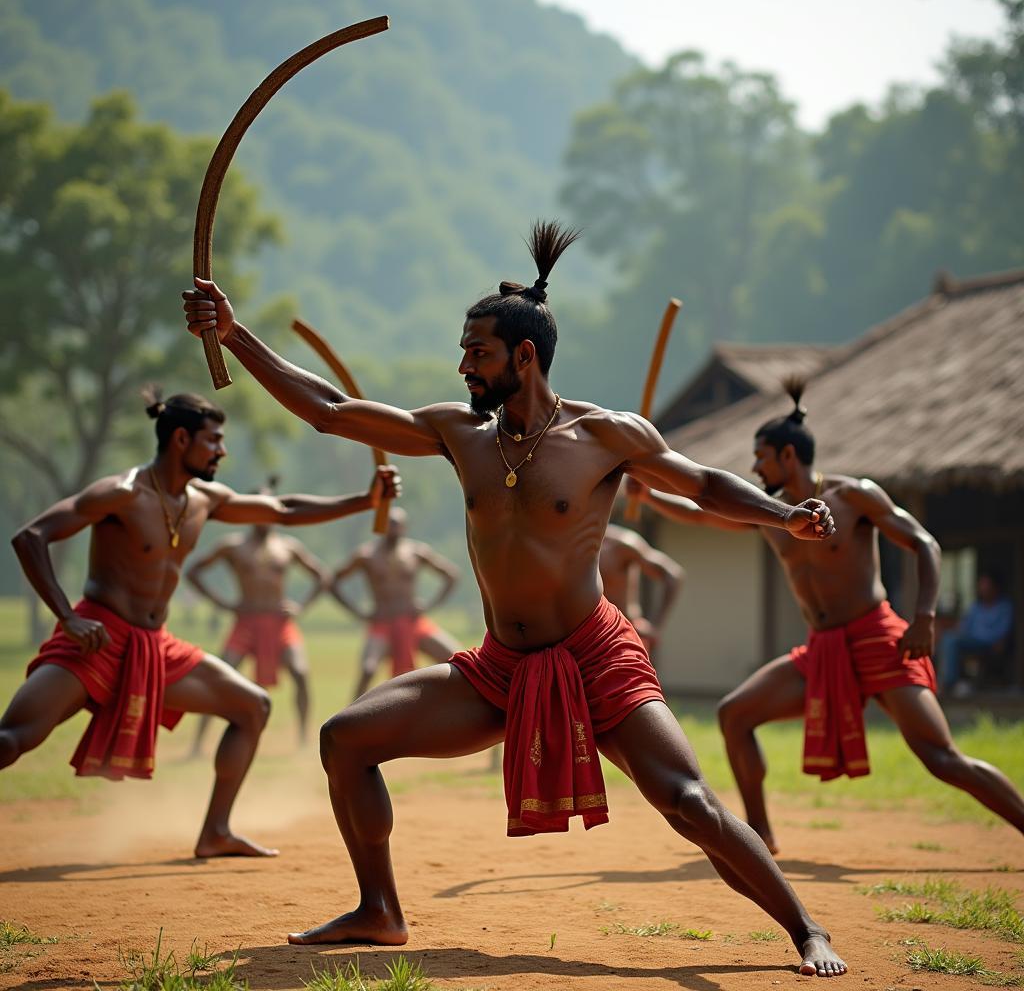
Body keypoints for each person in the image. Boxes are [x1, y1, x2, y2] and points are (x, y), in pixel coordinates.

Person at [183, 221, 847, 976]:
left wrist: (782, 513)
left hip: (597, 660)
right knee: (346, 740)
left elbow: (701, 484)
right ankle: (380, 910)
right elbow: (329, 411)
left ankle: (805, 928)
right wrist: (235, 336)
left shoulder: (605, 435)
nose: (463, 365)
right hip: (501, 668)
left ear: (523, 357)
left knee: (688, 801)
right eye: (464, 351)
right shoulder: (458, 433)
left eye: (478, 353)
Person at [630, 378, 1024, 855]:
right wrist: (650, 494)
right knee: (735, 714)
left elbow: (924, 542)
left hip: (879, 638)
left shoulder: (854, 495)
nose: (755, 466)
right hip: (823, 648)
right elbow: (702, 515)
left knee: (941, 758)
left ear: (789, 457)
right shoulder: (771, 513)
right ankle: (760, 837)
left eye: (762, 457)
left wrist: (923, 617)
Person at [1, 392, 398, 858]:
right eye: (214, 441)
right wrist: (66, 618)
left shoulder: (204, 499)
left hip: (155, 647)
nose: (222, 451)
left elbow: (284, 509)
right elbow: (31, 537)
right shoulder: (121, 493)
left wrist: (364, 500)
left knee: (252, 706)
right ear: (181, 438)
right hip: (97, 639)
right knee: (15, 738)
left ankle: (216, 832)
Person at [187, 485, 329, 750]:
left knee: (300, 672)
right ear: (249, 511)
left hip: (280, 623)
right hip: (246, 623)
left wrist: (301, 606)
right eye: (258, 508)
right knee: (220, 676)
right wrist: (224, 603)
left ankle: (303, 738)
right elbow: (194, 572)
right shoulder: (233, 546)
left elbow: (321, 576)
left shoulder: (287, 546)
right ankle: (197, 743)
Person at [328, 506, 462, 702]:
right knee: (368, 669)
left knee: (456, 656)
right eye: (390, 524)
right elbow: (333, 581)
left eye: (398, 525)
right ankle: (349, 720)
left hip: (413, 621)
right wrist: (358, 612)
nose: (394, 529)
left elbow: (451, 575)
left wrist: (429, 605)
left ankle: (451, 707)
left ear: (405, 527)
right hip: (382, 624)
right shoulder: (367, 555)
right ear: (382, 527)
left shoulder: (416, 552)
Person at [599, 522, 683, 666]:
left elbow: (673, 575)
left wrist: (656, 628)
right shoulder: (565, 545)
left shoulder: (620, 543)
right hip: (580, 642)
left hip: (622, 641)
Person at [938, 572, 1014, 695]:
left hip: (990, 643)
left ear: (995, 587)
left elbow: (1004, 630)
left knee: (951, 641)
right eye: (981, 585)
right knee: (948, 639)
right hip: (972, 641)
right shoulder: (976, 607)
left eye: (987, 585)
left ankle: (949, 682)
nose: (983, 589)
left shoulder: (1004, 607)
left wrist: (998, 641)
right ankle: (947, 681)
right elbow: (964, 626)